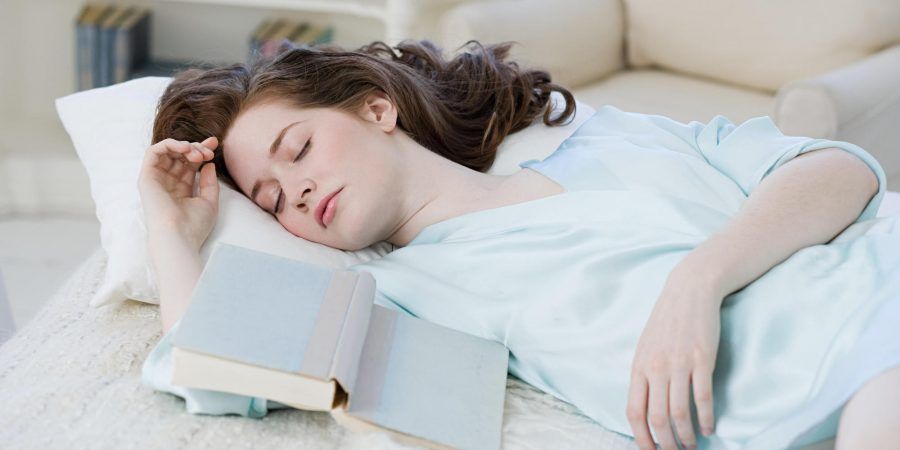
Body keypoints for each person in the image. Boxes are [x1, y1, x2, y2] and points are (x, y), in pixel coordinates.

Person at [137, 39, 900, 450]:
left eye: (298, 150)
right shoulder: (408, 296)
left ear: (375, 108)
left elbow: (838, 168)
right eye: (271, 201)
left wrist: (698, 283)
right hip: (843, 395)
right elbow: (211, 362)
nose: (294, 191)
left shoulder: (606, 138)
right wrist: (174, 233)